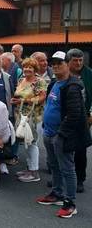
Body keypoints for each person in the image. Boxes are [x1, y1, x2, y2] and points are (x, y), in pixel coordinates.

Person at [36, 51, 91, 219]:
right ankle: (57, 194)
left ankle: (70, 203)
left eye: (59, 63)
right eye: (53, 63)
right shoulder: (54, 83)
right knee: (54, 166)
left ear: (68, 64)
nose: (56, 66)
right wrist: (46, 125)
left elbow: (74, 115)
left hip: (62, 136)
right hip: (49, 132)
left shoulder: (73, 85)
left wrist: (61, 135)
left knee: (67, 169)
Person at [11, 58, 47, 182]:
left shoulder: (39, 81)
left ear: (35, 69)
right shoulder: (21, 80)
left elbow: (42, 98)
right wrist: (15, 100)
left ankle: (34, 173)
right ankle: (29, 168)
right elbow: (18, 95)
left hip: (34, 117)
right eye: (25, 67)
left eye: (30, 67)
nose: (27, 69)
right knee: (26, 142)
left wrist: (23, 101)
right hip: (21, 116)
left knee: (32, 143)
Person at [66, 48, 92, 193]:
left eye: (80, 60)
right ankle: (62, 176)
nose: (78, 63)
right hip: (64, 117)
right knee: (63, 148)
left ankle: (79, 179)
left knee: (80, 149)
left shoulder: (89, 75)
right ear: (68, 61)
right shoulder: (63, 73)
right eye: (75, 60)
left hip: (83, 118)